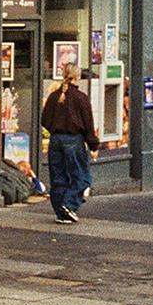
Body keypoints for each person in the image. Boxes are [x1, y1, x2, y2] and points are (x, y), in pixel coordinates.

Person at [41, 62, 99, 224]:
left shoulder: (53, 97)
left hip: (55, 140)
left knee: (58, 177)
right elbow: (88, 125)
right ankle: (69, 204)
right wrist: (93, 145)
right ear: (77, 76)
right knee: (82, 176)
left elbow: (44, 120)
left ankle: (61, 212)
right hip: (74, 140)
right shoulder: (81, 98)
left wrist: (55, 129)